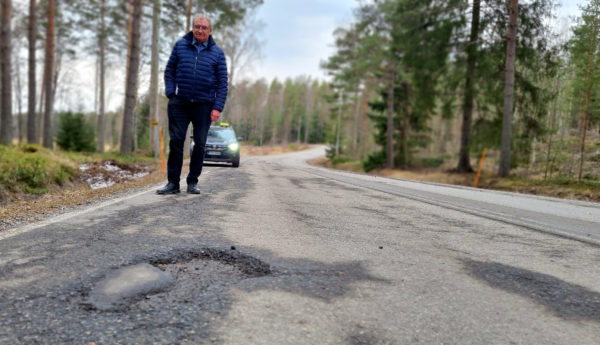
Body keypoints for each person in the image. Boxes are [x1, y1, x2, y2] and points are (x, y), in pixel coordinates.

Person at [157, 15, 228, 195]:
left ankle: (193, 181)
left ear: (210, 31)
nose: (200, 30)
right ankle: (173, 183)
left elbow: (222, 83)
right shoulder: (181, 45)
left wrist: (217, 107)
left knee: (200, 144)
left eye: (204, 27)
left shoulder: (217, 53)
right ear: (192, 28)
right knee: (176, 142)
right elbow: (169, 71)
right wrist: (171, 94)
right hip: (180, 103)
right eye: (197, 27)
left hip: (204, 105)